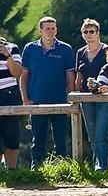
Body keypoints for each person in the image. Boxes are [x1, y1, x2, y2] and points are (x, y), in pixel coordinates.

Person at [20, 16, 75, 168]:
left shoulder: (65, 49)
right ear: (40, 31)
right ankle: (36, 171)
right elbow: (24, 76)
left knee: (61, 141)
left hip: (60, 102)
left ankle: (63, 170)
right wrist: (26, 99)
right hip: (37, 102)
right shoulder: (30, 48)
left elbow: (70, 76)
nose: (51, 31)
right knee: (38, 141)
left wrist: (71, 98)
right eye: (47, 28)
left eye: (53, 28)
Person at [74, 19, 108, 170]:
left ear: (98, 33)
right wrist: (75, 95)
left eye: (91, 31)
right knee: (92, 133)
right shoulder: (80, 52)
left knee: (102, 132)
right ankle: (98, 164)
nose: (88, 34)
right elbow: (78, 76)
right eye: (85, 32)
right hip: (85, 97)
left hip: (104, 96)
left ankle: (102, 166)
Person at [0, 35, 23, 169]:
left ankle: (12, 171)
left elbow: (17, 73)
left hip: (8, 95)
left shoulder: (12, 47)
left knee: (12, 136)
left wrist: (7, 55)